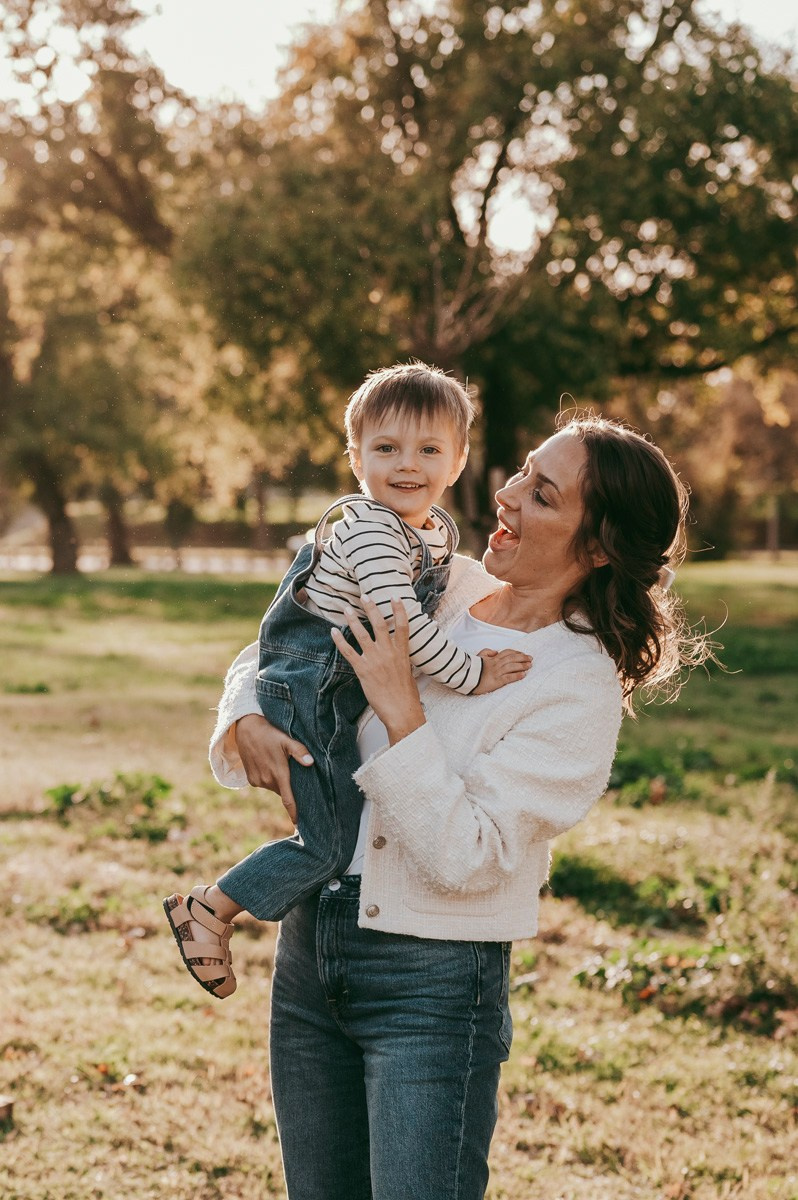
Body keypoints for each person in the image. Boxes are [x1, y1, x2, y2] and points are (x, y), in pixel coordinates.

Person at [178, 412, 705, 1200]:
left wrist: (403, 713)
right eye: (523, 472)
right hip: (312, 942)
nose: (508, 494)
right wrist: (244, 712)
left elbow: (474, 855)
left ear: (596, 548)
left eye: (544, 495)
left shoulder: (576, 682)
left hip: (433, 984)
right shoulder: (445, 582)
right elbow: (286, 642)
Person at [163, 363, 531, 998]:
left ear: (458, 460)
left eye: (428, 449)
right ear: (356, 456)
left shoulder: (432, 535)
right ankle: (210, 908)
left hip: (330, 685)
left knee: (337, 828)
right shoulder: (368, 530)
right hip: (312, 687)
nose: (406, 464)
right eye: (385, 448)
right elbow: (402, 626)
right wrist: (473, 674)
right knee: (329, 844)